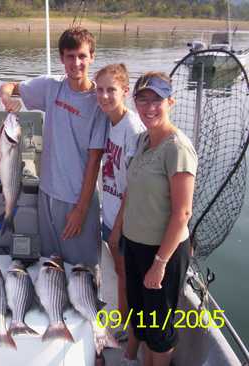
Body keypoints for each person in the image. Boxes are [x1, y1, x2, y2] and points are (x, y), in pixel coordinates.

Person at [0, 27, 107, 266]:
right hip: (46, 193)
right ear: (61, 58)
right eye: (70, 56)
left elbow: (94, 161)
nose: (76, 63)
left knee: (81, 272)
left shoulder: (100, 102)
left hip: (77, 199)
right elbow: (11, 86)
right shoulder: (50, 86)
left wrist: (81, 209)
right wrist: (6, 97)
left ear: (92, 57)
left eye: (82, 56)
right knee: (51, 266)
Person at [113, 72, 197, 366]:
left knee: (159, 330)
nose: (149, 107)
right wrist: (118, 233)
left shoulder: (177, 148)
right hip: (135, 246)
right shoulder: (142, 141)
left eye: (157, 100)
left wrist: (160, 264)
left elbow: (182, 213)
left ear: (171, 101)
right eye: (143, 99)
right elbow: (131, 192)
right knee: (141, 317)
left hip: (162, 253)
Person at [95, 63, 145, 343]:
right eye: (100, 90)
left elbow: (134, 187)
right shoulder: (108, 122)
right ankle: (123, 319)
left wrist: (117, 230)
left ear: (125, 91)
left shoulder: (132, 129)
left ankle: (124, 327)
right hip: (109, 211)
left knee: (125, 274)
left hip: (124, 221)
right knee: (117, 270)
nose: (104, 96)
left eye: (111, 90)